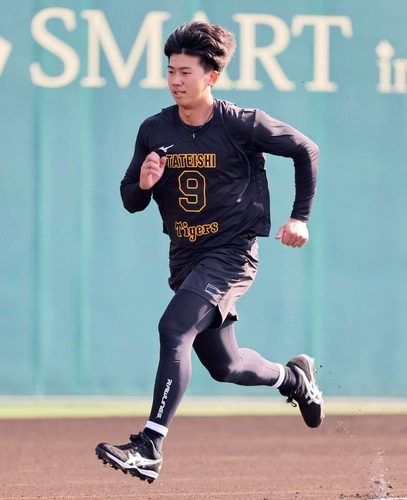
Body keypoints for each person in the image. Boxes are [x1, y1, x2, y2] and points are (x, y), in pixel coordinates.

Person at [95, 21, 324, 484]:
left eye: (186, 72)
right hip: (186, 256)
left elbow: (306, 149)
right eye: (171, 71)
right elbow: (130, 199)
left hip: (231, 252)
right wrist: (144, 183)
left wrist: (300, 216)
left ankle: (150, 446)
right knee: (226, 365)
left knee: (173, 328)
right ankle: (294, 379)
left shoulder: (241, 123)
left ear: (211, 76)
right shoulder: (154, 129)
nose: (176, 80)